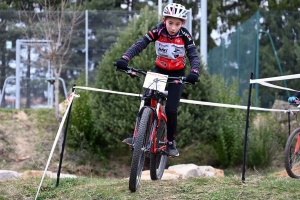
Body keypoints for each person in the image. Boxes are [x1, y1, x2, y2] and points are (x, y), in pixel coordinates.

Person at [115, 3, 200, 157]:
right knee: (146, 98)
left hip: (177, 73)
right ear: (164, 20)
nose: (173, 27)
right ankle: (137, 137)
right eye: (170, 23)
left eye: (177, 24)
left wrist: (194, 72)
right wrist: (124, 58)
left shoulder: (185, 36)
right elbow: (140, 44)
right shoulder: (158, 30)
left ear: (183, 24)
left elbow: (193, 55)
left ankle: (170, 142)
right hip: (159, 70)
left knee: (171, 109)